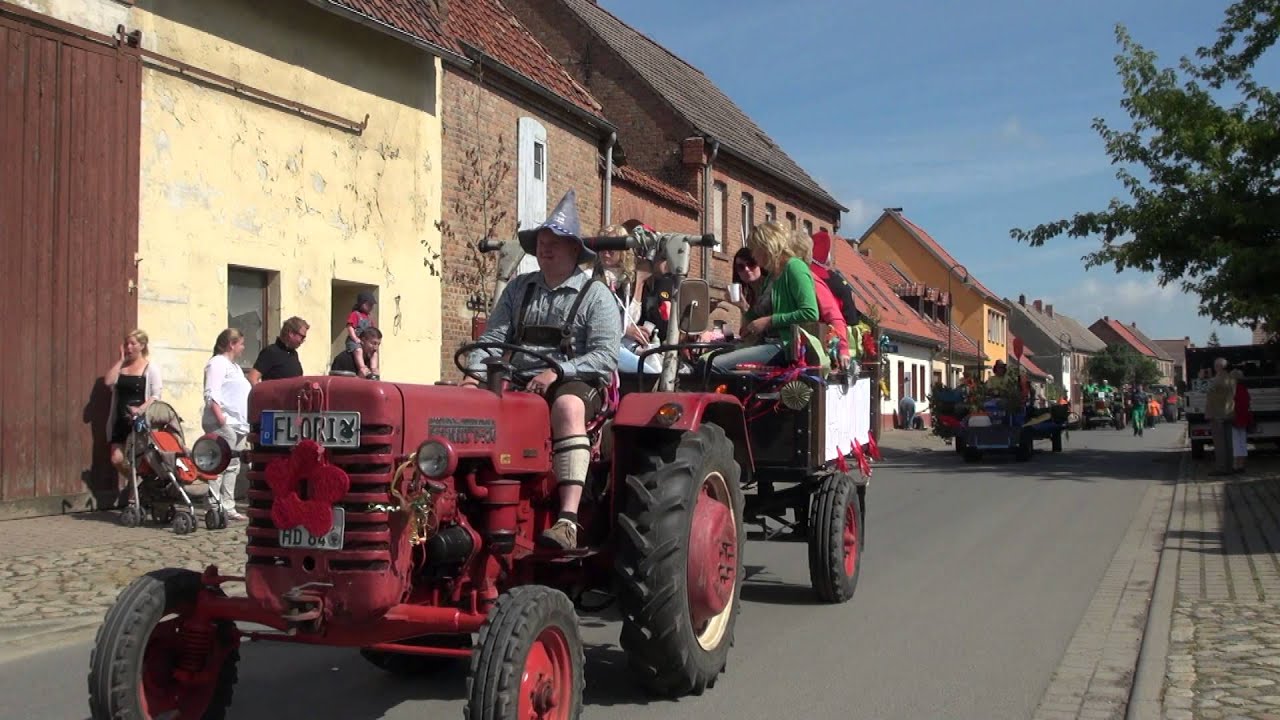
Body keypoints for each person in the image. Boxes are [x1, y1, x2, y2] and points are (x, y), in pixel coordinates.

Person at [463, 190, 621, 551]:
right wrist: (473, 376)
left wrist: (558, 372)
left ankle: (567, 519)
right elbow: (494, 336)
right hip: (518, 378)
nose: (546, 248)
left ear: (574, 251)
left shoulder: (596, 296)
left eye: (555, 243)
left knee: (567, 407)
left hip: (577, 382)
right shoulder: (520, 287)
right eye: (542, 242)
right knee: (464, 402)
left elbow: (604, 357)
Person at [708, 221, 818, 373]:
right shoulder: (772, 276)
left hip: (784, 347)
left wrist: (769, 321)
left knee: (714, 363)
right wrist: (743, 306)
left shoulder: (794, 267)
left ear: (766, 246)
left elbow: (810, 312)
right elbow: (759, 319)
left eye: (754, 250)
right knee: (708, 359)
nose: (753, 254)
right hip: (767, 343)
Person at [106, 329, 164, 507]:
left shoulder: (150, 368)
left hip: (138, 422)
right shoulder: (122, 368)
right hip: (120, 421)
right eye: (126, 344)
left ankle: (134, 500)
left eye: (133, 344)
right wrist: (121, 359)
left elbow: (156, 395)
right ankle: (135, 483)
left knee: (136, 460)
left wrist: (141, 409)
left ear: (142, 345)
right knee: (116, 458)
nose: (129, 347)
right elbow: (108, 382)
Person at [594, 226, 662, 374]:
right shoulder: (591, 278)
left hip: (627, 346)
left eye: (612, 247)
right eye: (601, 246)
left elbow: (646, 318)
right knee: (649, 374)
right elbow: (594, 323)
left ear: (623, 251)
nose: (606, 252)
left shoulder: (627, 282)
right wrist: (626, 331)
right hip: (602, 347)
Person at [202, 328, 251, 522]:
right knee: (220, 462)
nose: (243, 348)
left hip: (238, 424)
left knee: (233, 465)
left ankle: (228, 505)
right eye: (241, 344)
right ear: (231, 344)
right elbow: (211, 393)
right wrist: (221, 419)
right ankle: (214, 504)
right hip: (223, 422)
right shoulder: (217, 363)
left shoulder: (235, 367)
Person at [248, 316, 309, 384]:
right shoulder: (270, 352)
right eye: (302, 337)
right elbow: (252, 378)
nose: (302, 341)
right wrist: (265, 394)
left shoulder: (294, 354)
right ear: (291, 333)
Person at [1205, 357, 1237, 476]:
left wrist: (1202, 377)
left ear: (1218, 367)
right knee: (1229, 442)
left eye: (1215, 366)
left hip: (1217, 414)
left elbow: (1204, 390)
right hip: (1229, 412)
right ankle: (1229, 466)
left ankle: (1221, 468)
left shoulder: (1216, 380)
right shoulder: (1231, 379)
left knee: (1219, 443)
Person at [344, 292, 379, 378]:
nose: (371, 307)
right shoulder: (355, 314)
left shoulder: (369, 317)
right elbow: (350, 327)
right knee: (358, 350)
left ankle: (373, 368)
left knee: (374, 353)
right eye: (369, 304)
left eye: (372, 305)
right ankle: (362, 367)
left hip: (365, 341)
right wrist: (355, 338)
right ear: (362, 303)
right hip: (354, 340)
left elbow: (372, 330)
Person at [1232, 369, 1252, 473]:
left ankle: (1236, 465)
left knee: (1235, 442)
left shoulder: (1232, 389)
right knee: (1242, 442)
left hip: (1234, 418)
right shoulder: (1244, 389)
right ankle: (1242, 464)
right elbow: (1248, 402)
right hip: (1243, 418)